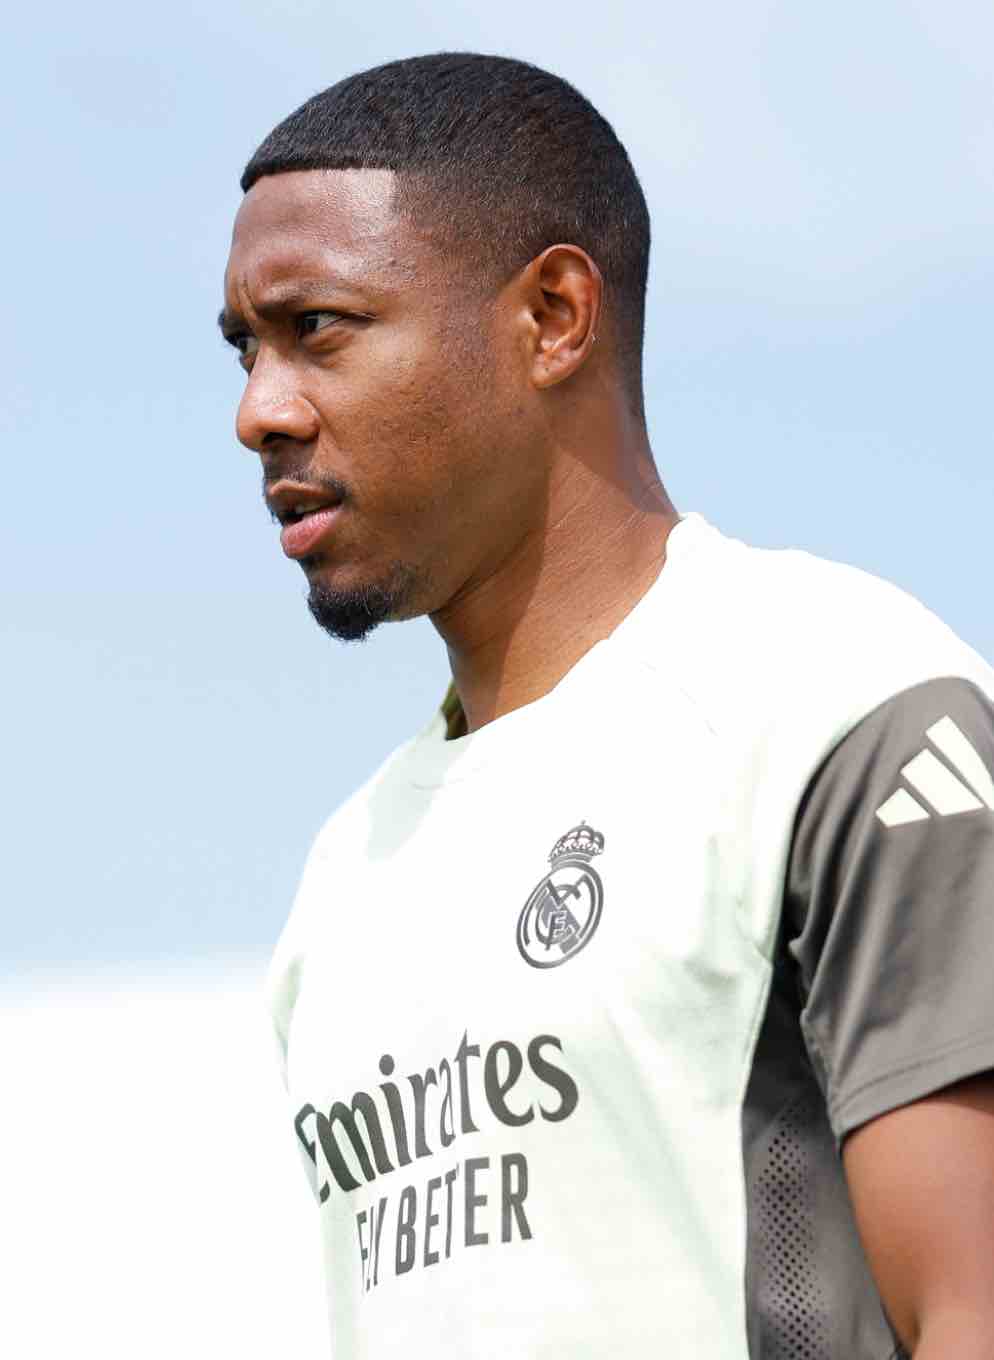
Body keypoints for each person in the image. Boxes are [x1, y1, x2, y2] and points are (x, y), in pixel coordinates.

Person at [218, 52, 994, 1359]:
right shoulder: (346, 871)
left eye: (320, 329)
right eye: (246, 349)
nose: (260, 412)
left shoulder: (835, 705)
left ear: (553, 316)